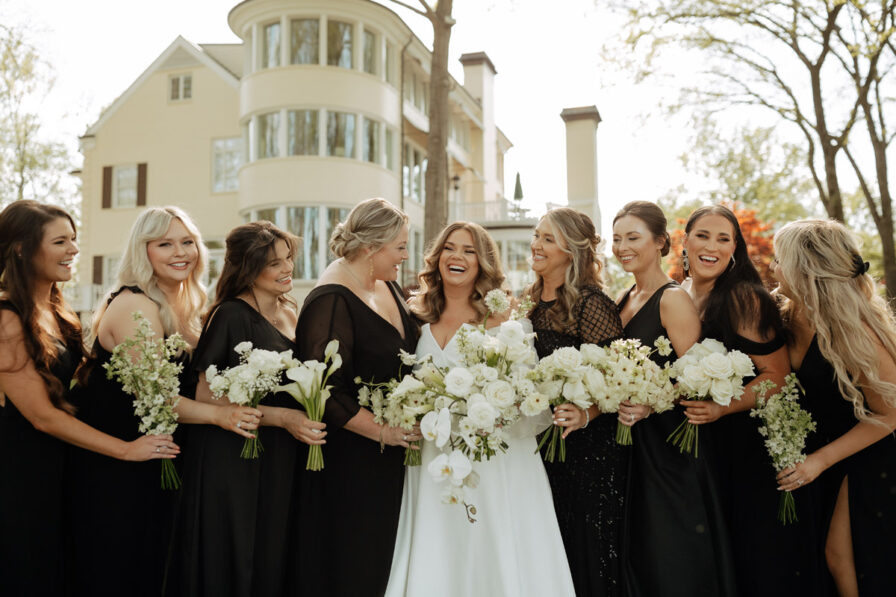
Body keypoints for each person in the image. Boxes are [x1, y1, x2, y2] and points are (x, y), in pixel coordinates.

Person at [66, 207, 263, 596]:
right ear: (144, 252)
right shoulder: (134, 305)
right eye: (165, 244)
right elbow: (160, 398)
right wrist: (223, 416)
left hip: (165, 458)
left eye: (187, 242)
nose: (180, 252)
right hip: (120, 466)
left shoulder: (192, 307)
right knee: (127, 570)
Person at [385, 222, 575, 597]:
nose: (457, 257)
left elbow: (530, 401)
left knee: (491, 546)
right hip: (432, 457)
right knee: (441, 548)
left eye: (469, 250)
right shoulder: (415, 317)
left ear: (483, 262)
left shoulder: (505, 321)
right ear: (437, 258)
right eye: (450, 248)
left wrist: (488, 410)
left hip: (493, 459)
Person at [0, 200, 172, 597]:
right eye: (60, 241)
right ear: (22, 248)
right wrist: (126, 450)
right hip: (24, 474)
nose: (74, 250)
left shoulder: (61, 311)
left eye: (74, 239)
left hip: (69, 469)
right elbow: (43, 416)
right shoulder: (7, 315)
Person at [168, 220, 326, 597]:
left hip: (280, 455)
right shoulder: (230, 314)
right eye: (274, 264)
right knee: (238, 556)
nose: (287, 269)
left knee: (274, 553)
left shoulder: (291, 310)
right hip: (235, 456)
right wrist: (283, 418)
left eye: (288, 259)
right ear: (247, 269)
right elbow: (206, 394)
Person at [679, 204, 823, 595]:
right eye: (703, 235)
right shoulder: (677, 296)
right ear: (685, 241)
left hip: (743, 450)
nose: (711, 246)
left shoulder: (744, 298)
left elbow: (777, 376)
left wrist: (723, 406)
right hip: (691, 453)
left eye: (723, 239)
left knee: (752, 562)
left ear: (735, 250)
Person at [294, 198, 420, 596]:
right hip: (354, 458)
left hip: (394, 452)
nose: (404, 255)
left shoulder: (388, 284)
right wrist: (382, 431)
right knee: (359, 559)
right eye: (399, 246)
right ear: (371, 248)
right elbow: (325, 389)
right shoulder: (331, 298)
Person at [612, 201, 737, 597]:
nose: (622, 246)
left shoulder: (672, 299)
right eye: (617, 239)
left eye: (633, 237)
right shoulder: (624, 297)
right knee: (639, 556)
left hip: (670, 450)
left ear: (660, 242)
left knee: (672, 557)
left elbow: (695, 378)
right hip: (630, 447)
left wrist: (652, 402)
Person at [773, 219, 896, 597]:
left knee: (843, 558)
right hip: (819, 453)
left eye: (780, 260)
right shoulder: (786, 314)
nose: (773, 268)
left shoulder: (856, 331)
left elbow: (891, 414)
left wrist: (820, 461)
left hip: (869, 454)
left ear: (804, 270)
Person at [525, 207, 625, 597]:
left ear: (573, 251)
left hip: (587, 450)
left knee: (586, 547)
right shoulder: (529, 302)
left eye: (549, 239)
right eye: (537, 235)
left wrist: (587, 412)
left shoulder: (591, 303)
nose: (537, 245)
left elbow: (618, 376)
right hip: (541, 447)